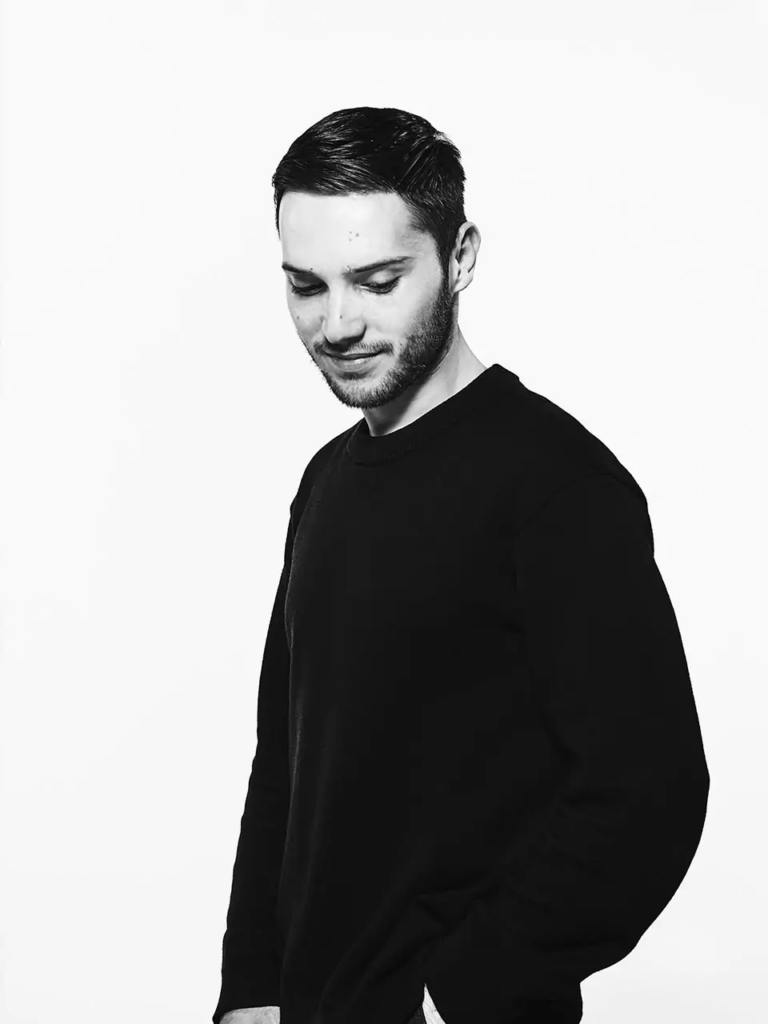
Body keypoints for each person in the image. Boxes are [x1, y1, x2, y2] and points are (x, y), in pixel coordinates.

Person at [212, 106, 710, 1024]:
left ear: (462, 256)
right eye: (306, 286)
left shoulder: (557, 485)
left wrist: (458, 994)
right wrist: (251, 988)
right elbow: (286, 764)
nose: (338, 323)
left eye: (378, 281)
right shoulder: (325, 483)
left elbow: (649, 794)